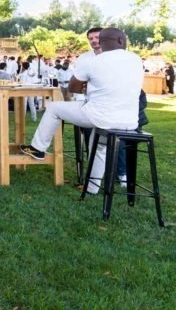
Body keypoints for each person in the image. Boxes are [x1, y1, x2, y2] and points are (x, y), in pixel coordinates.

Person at [19, 28, 143, 194]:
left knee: (54, 107)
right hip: (129, 121)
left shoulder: (94, 62)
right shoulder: (136, 59)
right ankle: (92, 188)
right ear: (121, 41)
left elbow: (73, 87)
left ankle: (37, 148)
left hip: (98, 116)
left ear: (102, 41)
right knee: (98, 146)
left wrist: (89, 85)